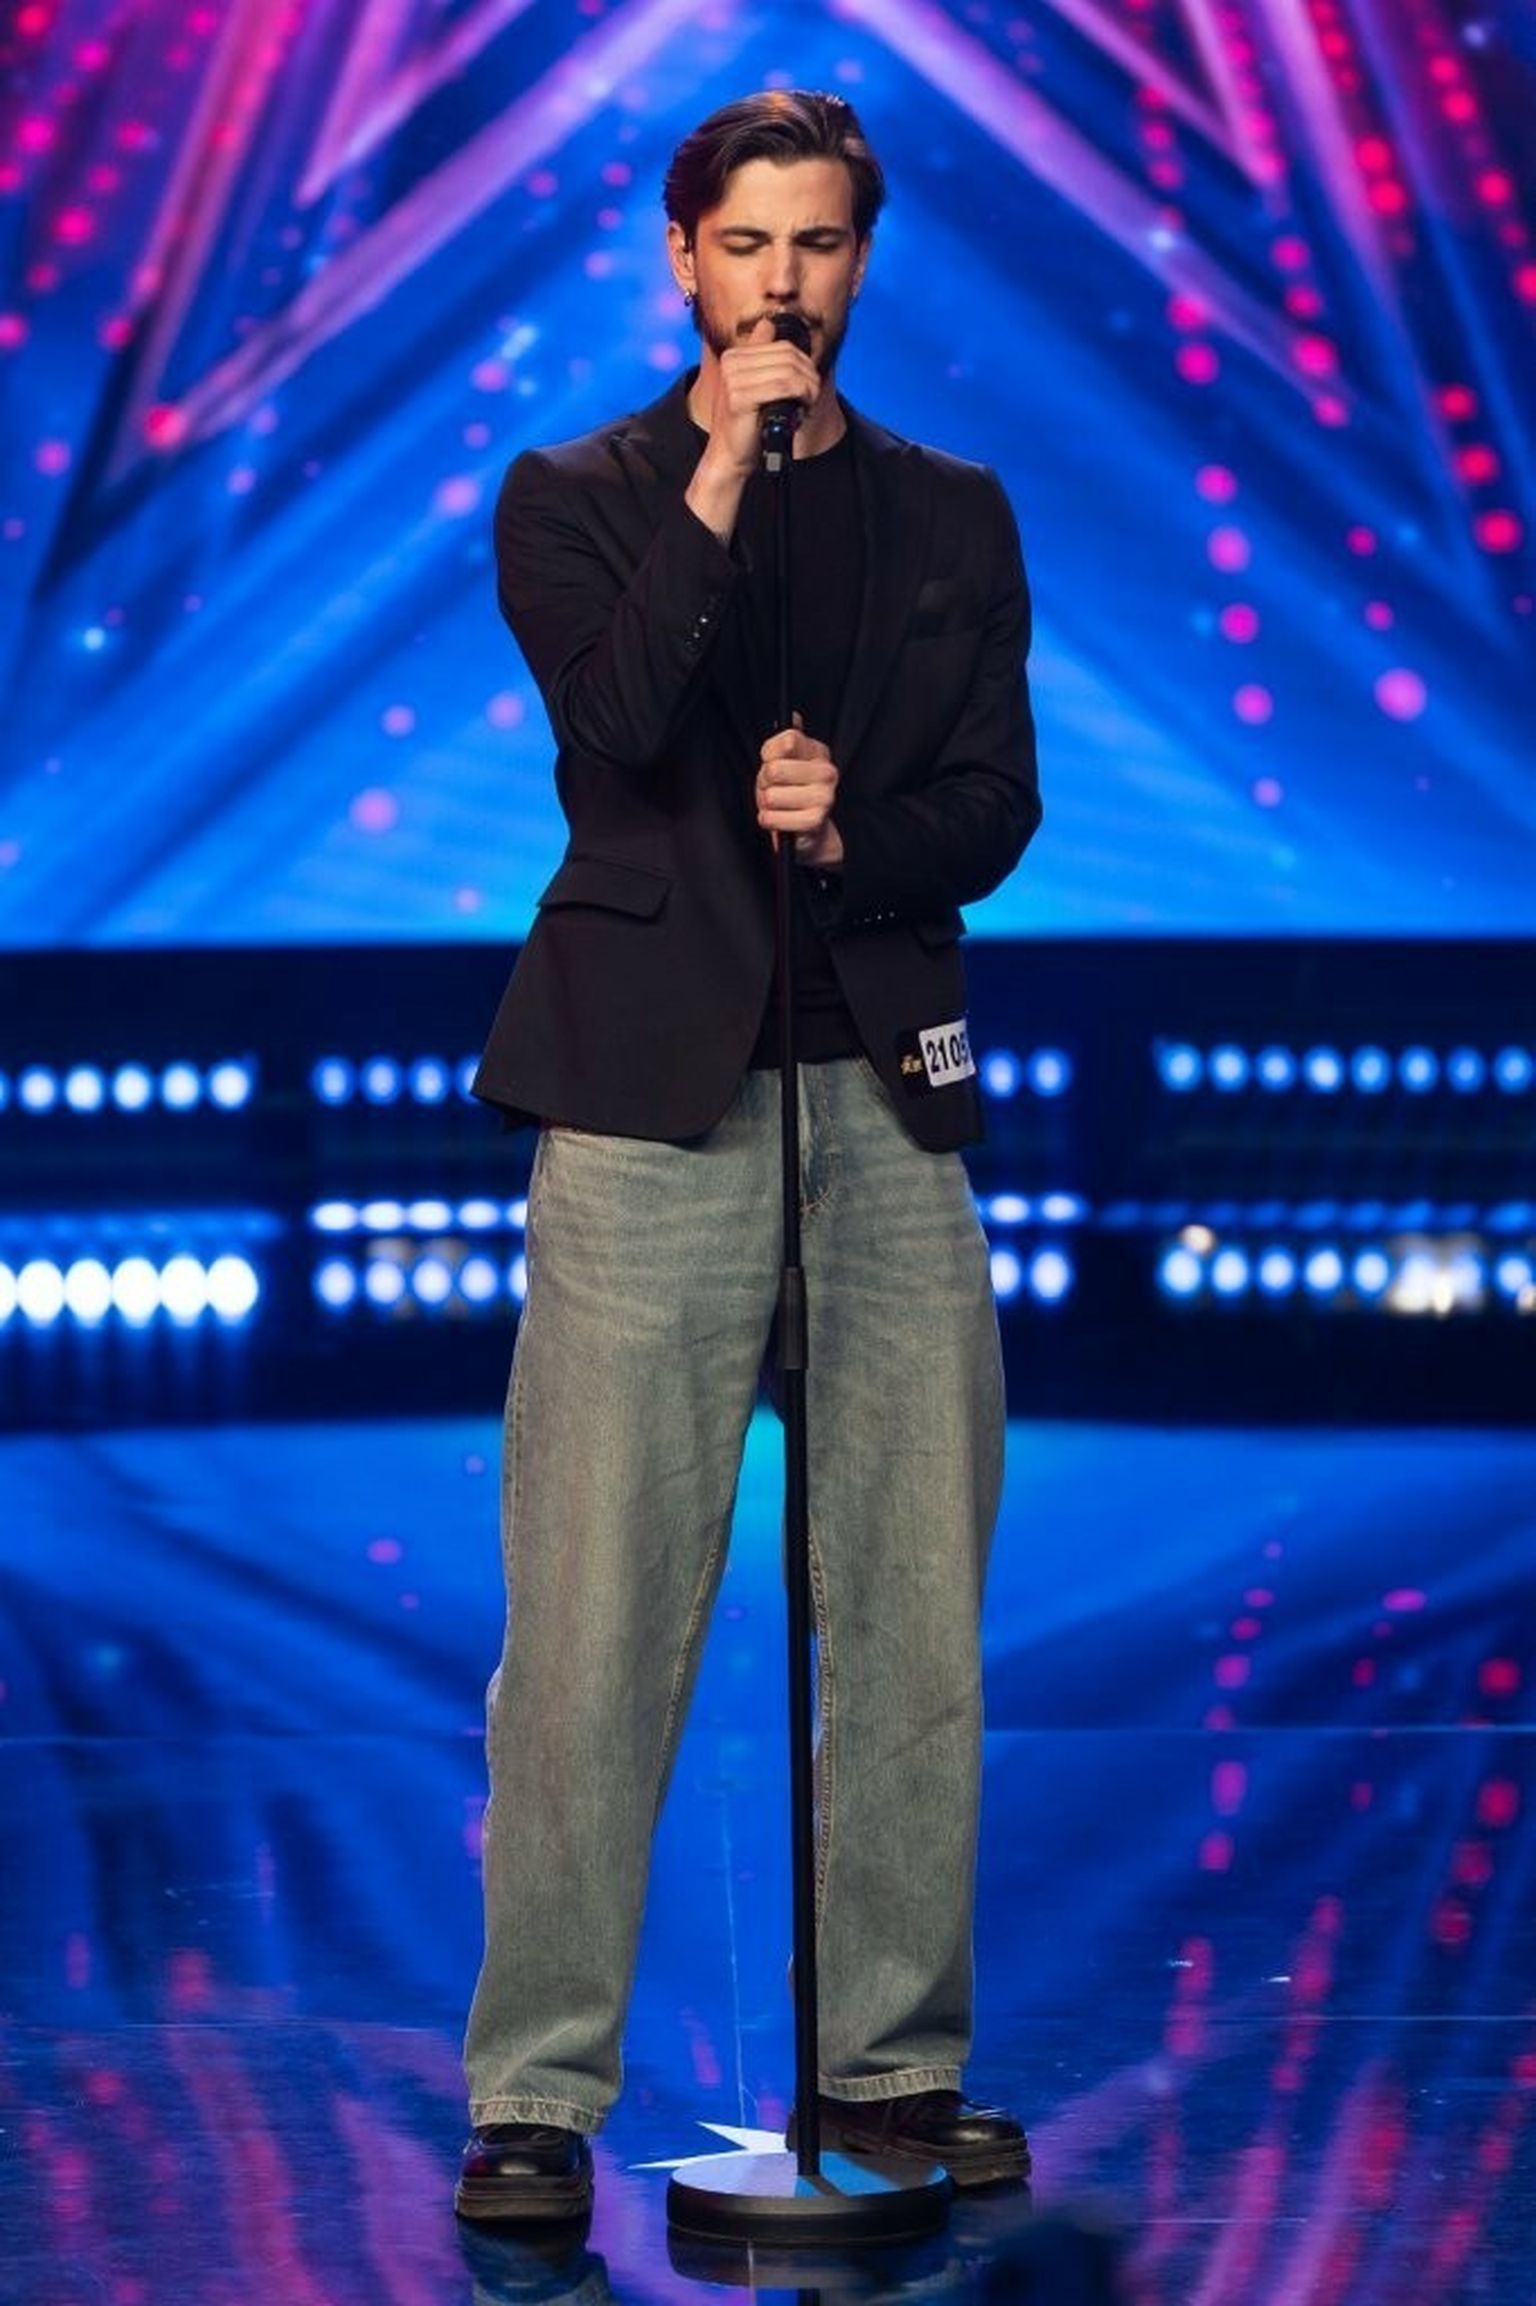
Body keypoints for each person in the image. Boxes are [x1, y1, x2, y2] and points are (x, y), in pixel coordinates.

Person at [456, 89, 1042, 2225]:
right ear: (682, 259)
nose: (783, 281)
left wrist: (853, 836)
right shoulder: (578, 495)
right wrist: (721, 467)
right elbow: (615, 727)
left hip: (881, 1100)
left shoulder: (953, 512)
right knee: (594, 1618)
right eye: (747, 243)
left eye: (819, 243)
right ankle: (535, 2091)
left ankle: (893, 2068)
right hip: (647, 1114)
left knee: (909, 1607)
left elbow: (996, 803)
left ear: (858, 263)